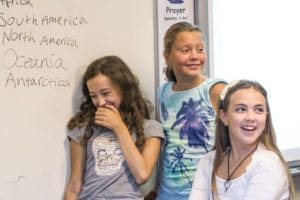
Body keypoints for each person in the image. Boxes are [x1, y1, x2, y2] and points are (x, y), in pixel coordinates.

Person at [64, 55, 165, 200]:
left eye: (105, 93)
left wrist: (118, 127)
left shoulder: (150, 128)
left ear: (124, 89)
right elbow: (74, 185)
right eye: (93, 96)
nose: (100, 102)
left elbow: (142, 175)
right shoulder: (83, 127)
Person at [189, 80, 295, 200]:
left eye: (259, 110)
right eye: (241, 109)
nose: (250, 117)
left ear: (266, 116)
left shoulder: (269, 163)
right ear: (224, 116)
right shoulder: (208, 161)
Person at [156, 21, 227, 200]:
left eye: (200, 49)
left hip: (207, 193)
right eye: (185, 50)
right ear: (167, 56)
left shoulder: (215, 90)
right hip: (168, 194)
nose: (195, 56)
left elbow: (234, 144)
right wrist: (157, 187)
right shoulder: (164, 92)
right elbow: (170, 147)